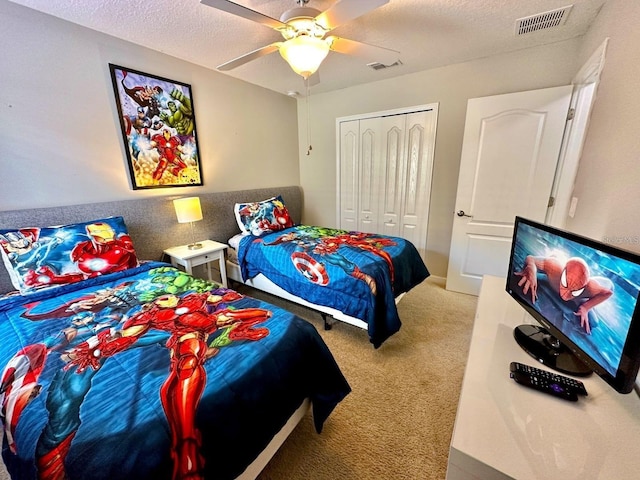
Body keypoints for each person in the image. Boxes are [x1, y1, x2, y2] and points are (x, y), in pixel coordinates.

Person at [515, 255, 613, 334]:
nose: (566, 294)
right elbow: (530, 258)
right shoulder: (554, 267)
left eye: (574, 291)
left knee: (594, 322)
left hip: (579, 298)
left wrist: (586, 307)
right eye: (565, 284)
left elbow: (607, 293)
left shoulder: (590, 288)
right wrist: (531, 272)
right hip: (555, 274)